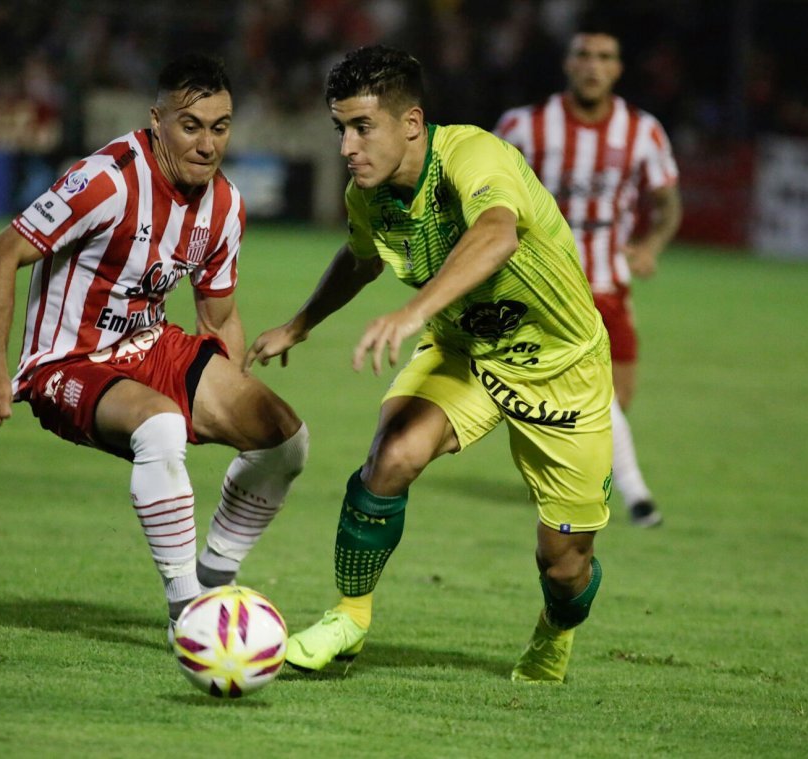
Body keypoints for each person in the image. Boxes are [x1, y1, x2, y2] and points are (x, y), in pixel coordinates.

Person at [245, 45, 613, 683]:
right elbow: (360, 257)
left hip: (559, 367)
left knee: (564, 564)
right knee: (390, 458)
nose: (347, 147)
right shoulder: (371, 192)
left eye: (363, 127)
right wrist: (299, 326)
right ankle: (348, 618)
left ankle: (555, 633)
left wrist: (412, 312)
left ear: (410, 123)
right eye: (341, 128)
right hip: (462, 352)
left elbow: (497, 233)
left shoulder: (474, 156)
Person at [0, 54, 308, 641]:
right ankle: (190, 617)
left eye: (220, 127)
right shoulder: (106, 179)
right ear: (157, 121)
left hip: (147, 347)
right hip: (65, 362)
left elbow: (218, 316)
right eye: (191, 125)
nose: (207, 144)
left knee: (286, 439)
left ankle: (214, 577)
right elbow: (0, 256)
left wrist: (224, 397)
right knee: (161, 428)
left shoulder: (224, 206)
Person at [495, 16, 682, 527]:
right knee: (593, 394)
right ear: (568, 64)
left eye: (604, 57)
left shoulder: (642, 131)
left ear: (618, 68)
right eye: (584, 55)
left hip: (608, 281)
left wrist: (651, 244)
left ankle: (569, 474)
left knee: (617, 397)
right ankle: (635, 495)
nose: (593, 66)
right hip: (542, 283)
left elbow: (668, 203)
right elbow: (482, 191)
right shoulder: (522, 126)